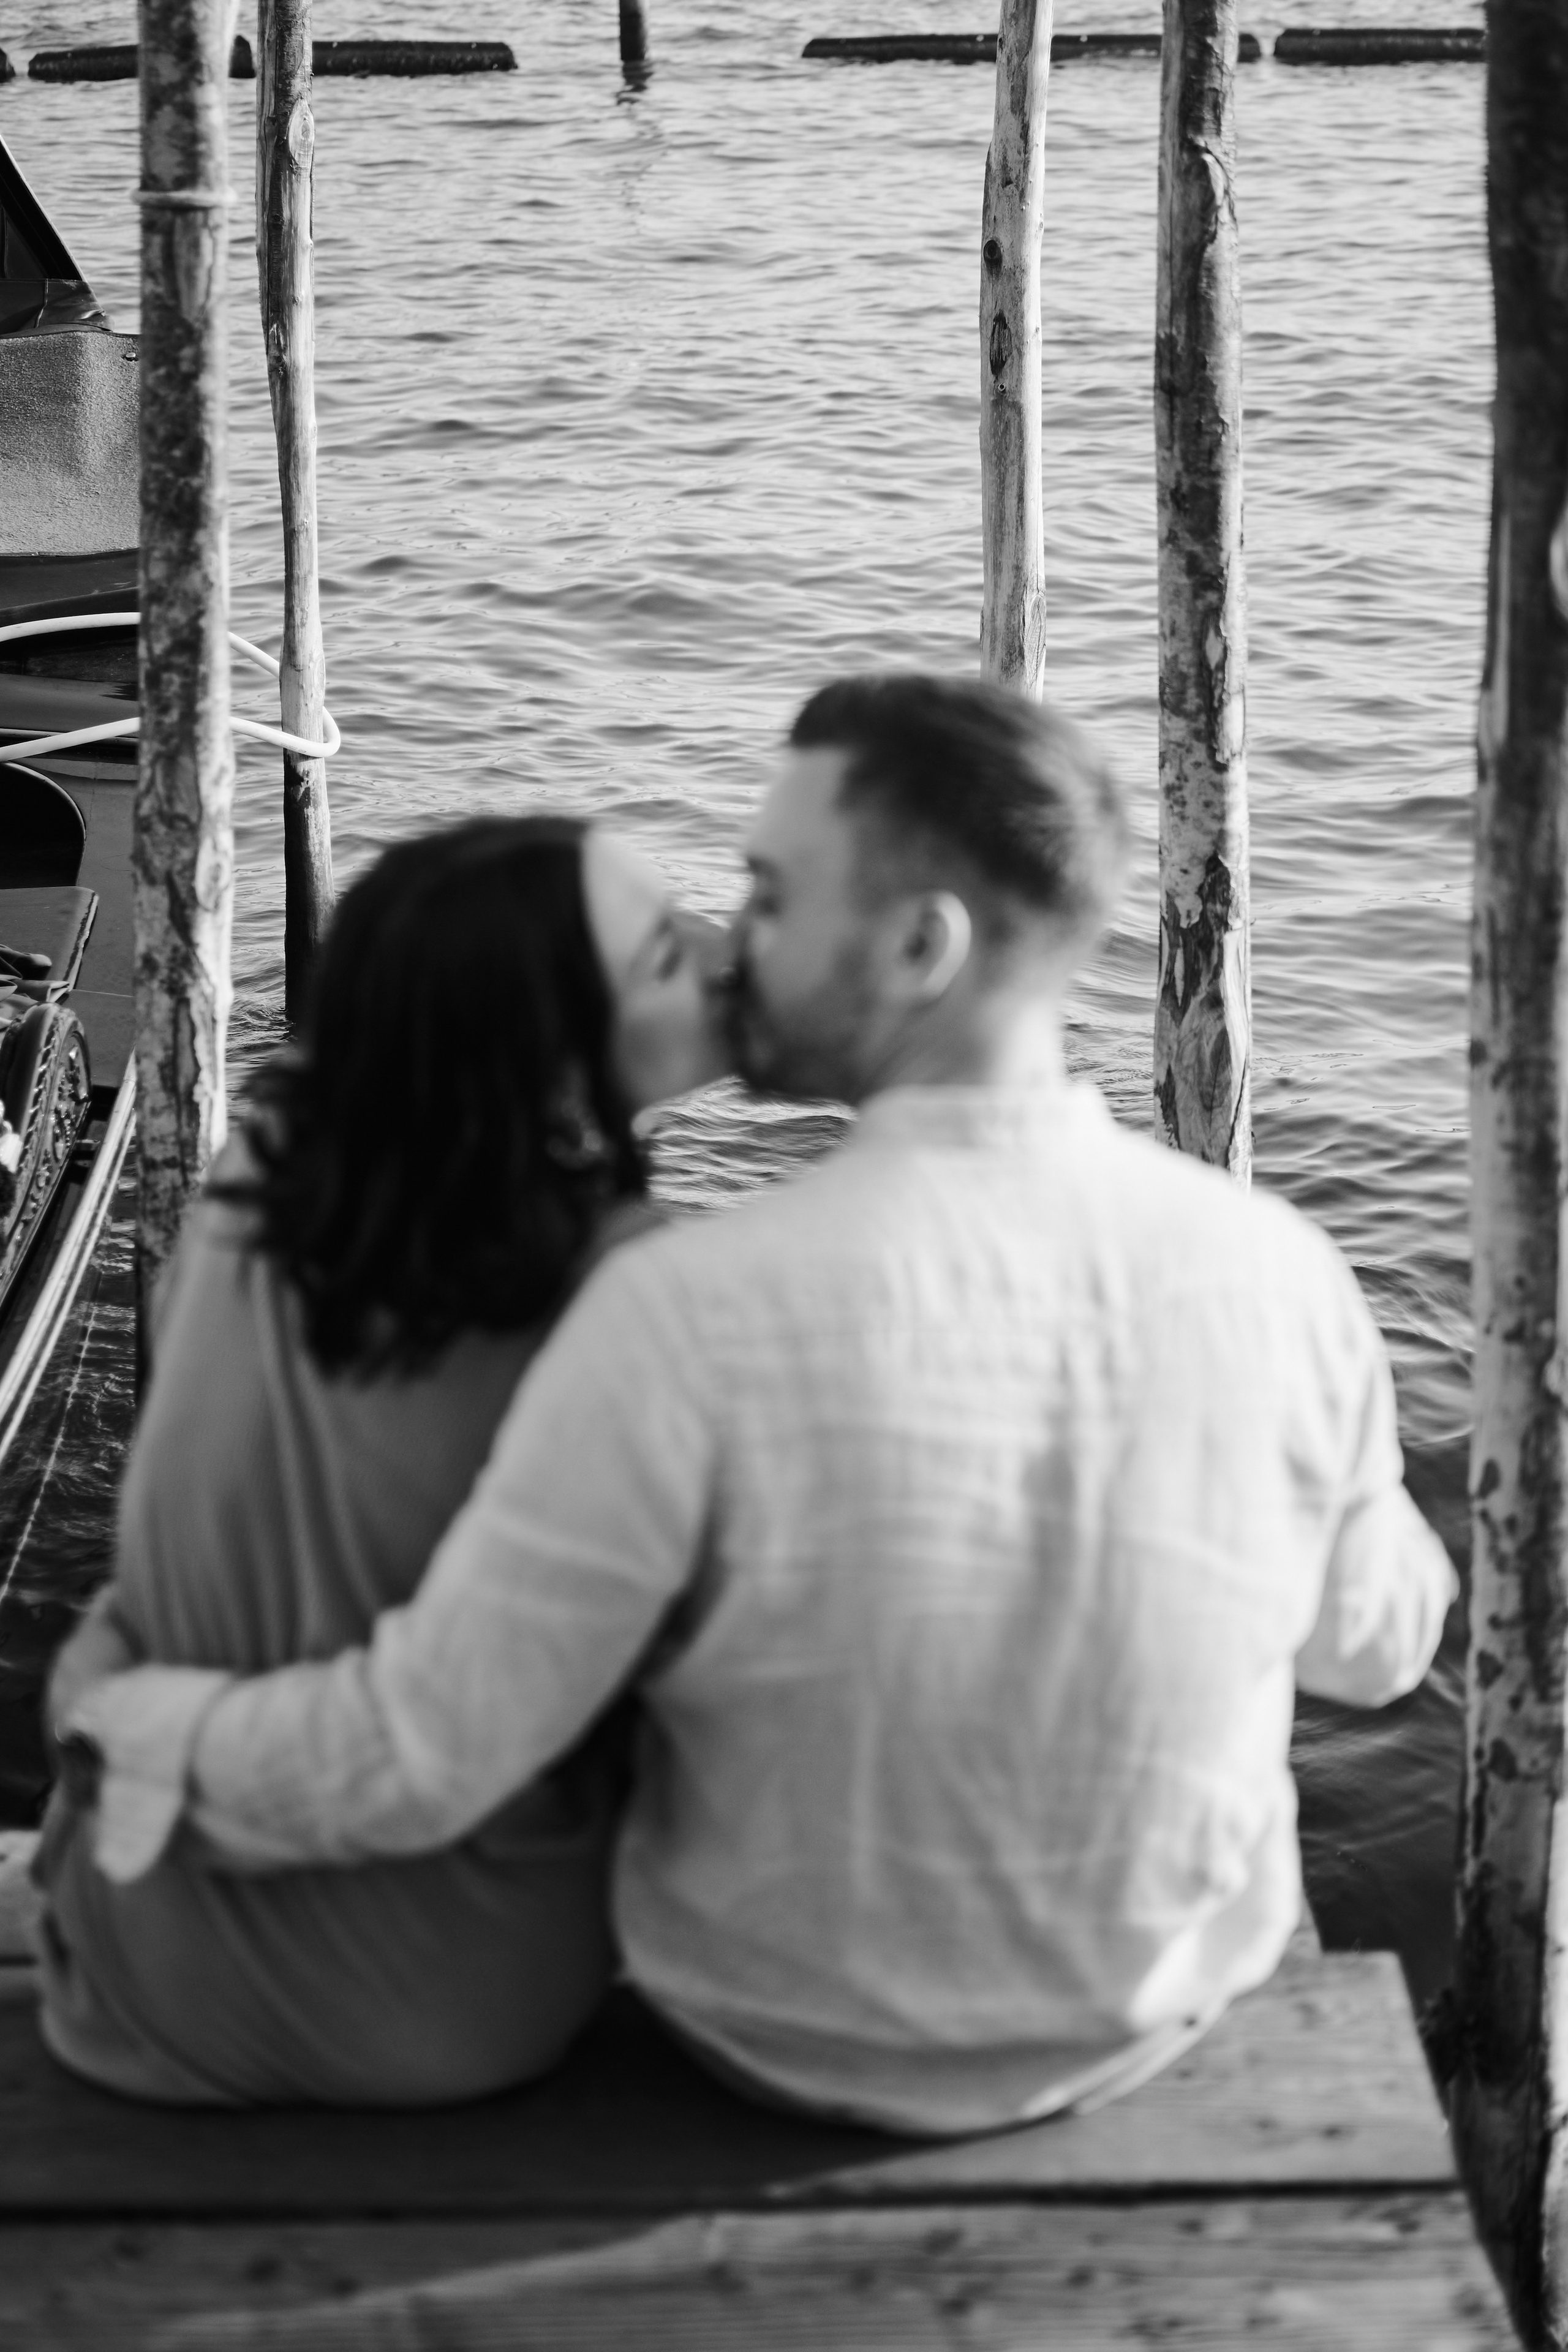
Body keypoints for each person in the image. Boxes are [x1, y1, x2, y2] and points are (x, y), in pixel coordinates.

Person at [53, 675, 1455, 2135]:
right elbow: (1373, 1651)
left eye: (770, 895)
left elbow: (432, 1748)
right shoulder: (1276, 1268)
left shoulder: (682, 1308)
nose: (738, 949)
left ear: (919, 945)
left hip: (765, 2029)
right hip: (1147, 2018)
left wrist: (142, 1722)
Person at [36, 813, 727, 2104]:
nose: (722, 947)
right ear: (559, 1067)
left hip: (128, 1974)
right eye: (664, 954)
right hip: (458, 2004)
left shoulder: (262, 1179)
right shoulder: (630, 1286)